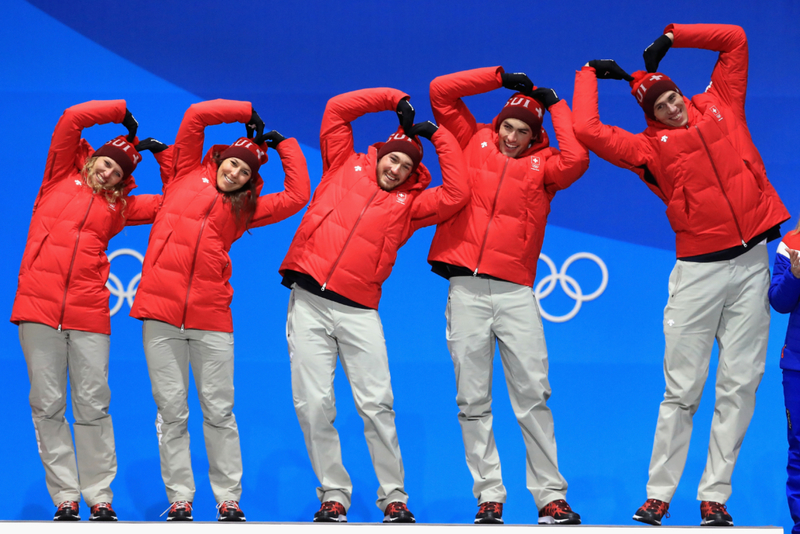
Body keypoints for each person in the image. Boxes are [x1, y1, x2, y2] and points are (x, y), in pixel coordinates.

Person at [572, 24, 789, 526]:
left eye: (670, 97)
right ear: (649, 116)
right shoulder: (648, 149)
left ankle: (714, 496)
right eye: (658, 107)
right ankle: (659, 495)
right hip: (698, 273)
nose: (670, 108)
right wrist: (588, 74)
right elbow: (587, 130)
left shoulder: (721, 103)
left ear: (679, 91)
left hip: (753, 260)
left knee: (740, 385)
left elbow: (734, 39)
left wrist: (674, 36)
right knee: (682, 390)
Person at [279, 87, 467, 524]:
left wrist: (437, 136)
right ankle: (333, 495)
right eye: (393, 158)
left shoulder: (411, 205)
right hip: (307, 301)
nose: (398, 168)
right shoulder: (341, 165)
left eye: (407, 165)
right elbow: (336, 110)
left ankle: (394, 497)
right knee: (313, 404)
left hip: (359, 311)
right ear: (379, 153)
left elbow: (457, 192)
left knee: (376, 404)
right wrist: (392, 99)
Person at [129, 99, 310, 522]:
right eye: (233, 164)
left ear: (250, 181)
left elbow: (298, 194)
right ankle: (180, 499)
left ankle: (228, 498)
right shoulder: (181, 175)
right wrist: (245, 111)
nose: (235, 173)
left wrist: (284, 144)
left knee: (219, 411)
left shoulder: (244, 211)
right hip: (160, 316)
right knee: (171, 411)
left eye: (245, 172)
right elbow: (195, 117)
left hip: (211, 319)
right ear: (220, 158)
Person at [426, 67, 589, 525]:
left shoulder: (546, 167)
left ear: (534, 136)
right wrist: (497, 77)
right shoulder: (470, 138)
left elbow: (577, 158)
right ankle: (489, 496)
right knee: (472, 400)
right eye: (508, 127)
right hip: (466, 289)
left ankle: (550, 498)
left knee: (533, 395)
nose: (512, 137)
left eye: (523, 131)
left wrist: (555, 106)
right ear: (496, 125)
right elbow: (441, 91)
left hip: (516, 291)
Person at [11, 100, 163, 521]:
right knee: (47, 404)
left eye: (118, 171)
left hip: (89, 312)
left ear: (123, 180)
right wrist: (121, 113)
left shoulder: (120, 209)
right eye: (105, 163)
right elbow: (71, 119)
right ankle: (65, 496)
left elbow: (171, 202)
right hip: (38, 308)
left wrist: (161, 154)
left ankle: (100, 498)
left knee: (93, 404)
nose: (108, 172)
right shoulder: (57, 175)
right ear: (93, 158)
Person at [768, 225, 800, 534]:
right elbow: (779, 301)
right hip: (798, 367)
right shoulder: (791, 243)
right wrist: (795, 274)